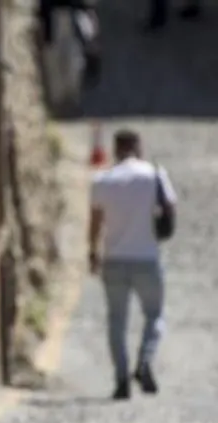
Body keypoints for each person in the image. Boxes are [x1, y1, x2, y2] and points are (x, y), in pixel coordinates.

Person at [88, 129, 177, 400]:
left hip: (114, 259)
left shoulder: (103, 179)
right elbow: (171, 209)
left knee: (117, 321)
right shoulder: (154, 175)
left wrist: (92, 252)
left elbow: (95, 222)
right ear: (138, 147)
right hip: (147, 258)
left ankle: (121, 380)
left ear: (116, 149)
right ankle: (145, 360)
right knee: (154, 315)